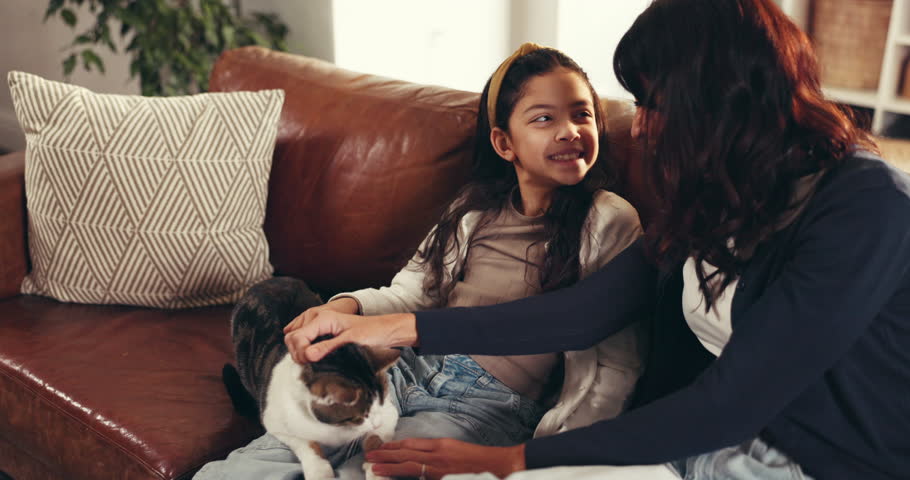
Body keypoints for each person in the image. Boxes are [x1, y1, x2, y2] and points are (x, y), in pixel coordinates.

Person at [285, 1, 910, 479]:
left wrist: (508, 459)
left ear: (711, 101)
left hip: (818, 462)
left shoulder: (865, 204)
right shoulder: (721, 192)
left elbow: (728, 404)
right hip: (708, 444)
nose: (638, 126)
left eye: (652, 102)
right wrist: (397, 327)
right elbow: (582, 315)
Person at [196, 43, 646, 480]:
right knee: (251, 466)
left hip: (483, 403)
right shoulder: (473, 212)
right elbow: (410, 293)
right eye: (544, 118)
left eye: (581, 114)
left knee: (368, 472)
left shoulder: (609, 221)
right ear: (504, 143)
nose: (569, 130)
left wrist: (555, 457)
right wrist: (346, 308)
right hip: (399, 368)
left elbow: (614, 366)